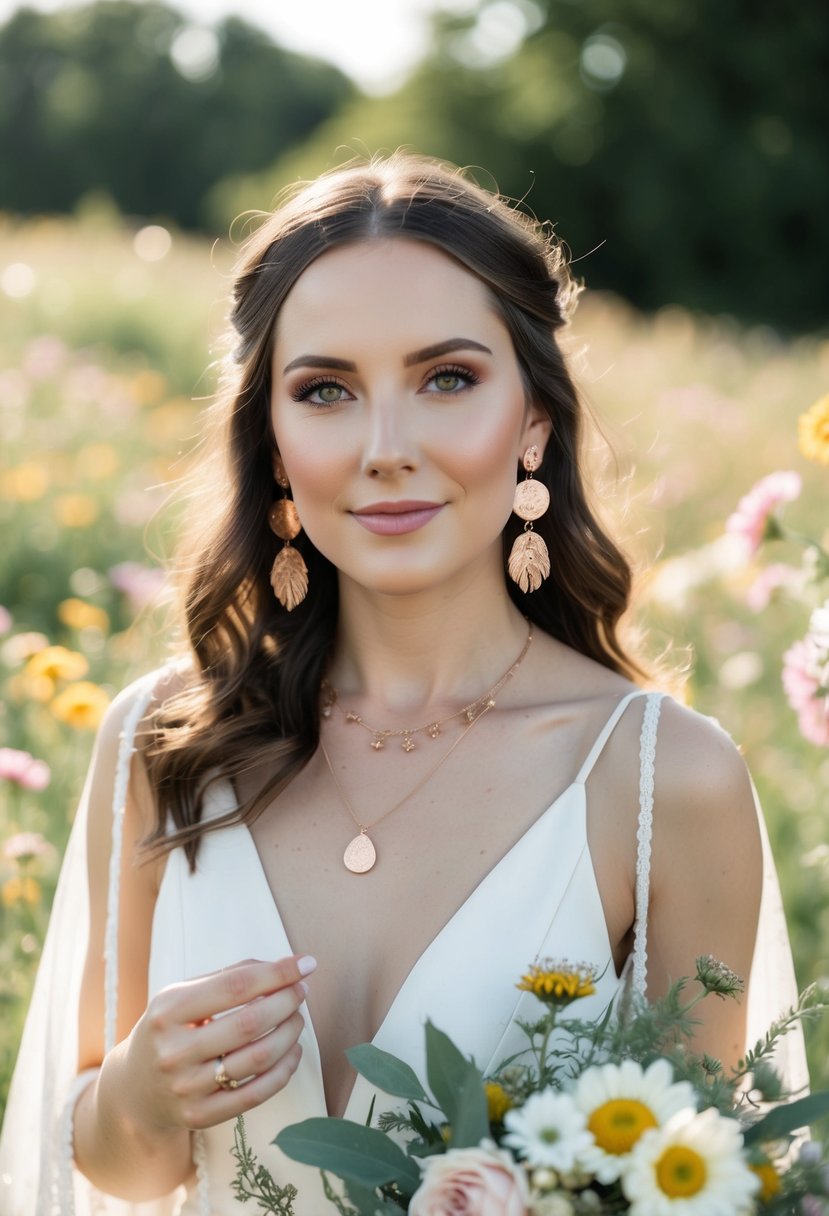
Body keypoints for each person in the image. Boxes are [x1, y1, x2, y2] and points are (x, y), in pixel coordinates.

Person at [0, 153, 806, 1215]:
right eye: (325, 391)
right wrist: (146, 1096)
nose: (385, 449)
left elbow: (698, 1184)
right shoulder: (161, 743)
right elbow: (122, 1166)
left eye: (448, 380)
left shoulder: (661, 781)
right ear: (276, 446)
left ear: (533, 422)